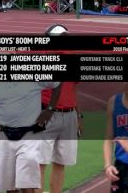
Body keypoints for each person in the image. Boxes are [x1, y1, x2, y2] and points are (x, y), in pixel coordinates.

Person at [0, 69, 62, 193]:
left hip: (29, 135)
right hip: (6, 135)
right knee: (7, 186)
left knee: (27, 183)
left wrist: (50, 109)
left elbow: (57, 83)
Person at [37, 24, 82, 193]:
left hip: (69, 115)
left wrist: (79, 116)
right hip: (46, 115)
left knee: (61, 162)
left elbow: (73, 89)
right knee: (40, 163)